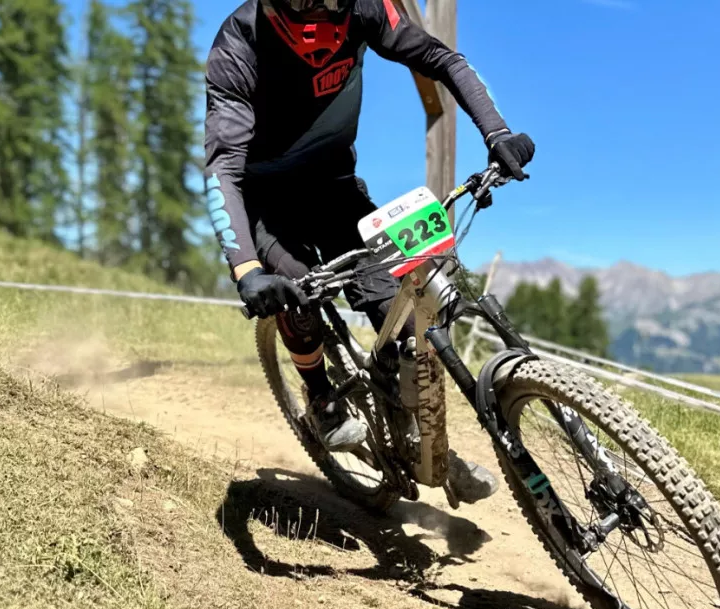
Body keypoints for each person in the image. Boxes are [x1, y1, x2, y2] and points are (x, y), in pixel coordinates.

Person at [204, 0, 535, 504]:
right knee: (299, 292)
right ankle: (320, 398)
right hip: (265, 205)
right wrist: (246, 268)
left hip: (334, 190)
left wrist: (497, 132)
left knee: (409, 318)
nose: (316, 10)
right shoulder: (238, 44)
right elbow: (223, 167)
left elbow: (445, 60)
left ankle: (428, 447)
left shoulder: (367, 11)